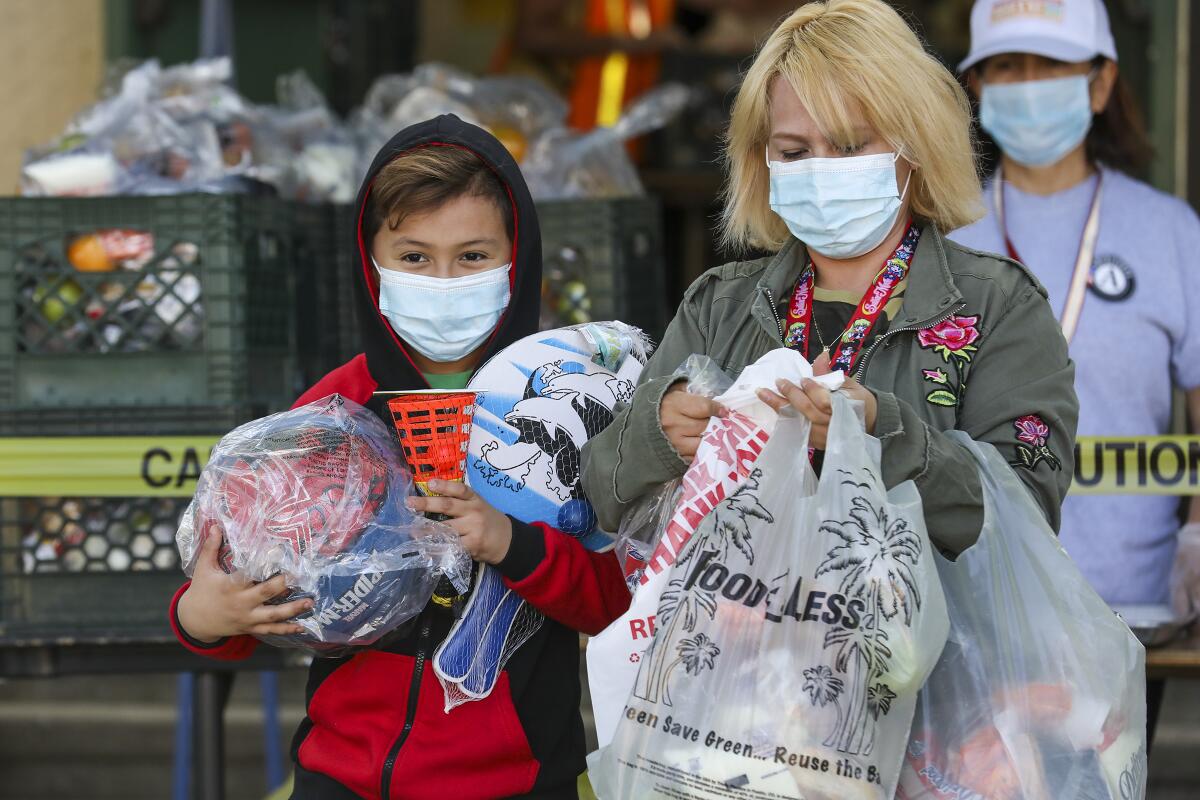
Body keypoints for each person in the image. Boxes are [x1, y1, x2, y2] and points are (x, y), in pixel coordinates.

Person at [168, 115, 632, 799]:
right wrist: (201, 618)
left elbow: (615, 603)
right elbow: (253, 598)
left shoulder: (569, 406)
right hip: (339, 777)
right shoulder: (333, 411)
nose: (443, 281)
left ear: (518, 259)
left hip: (517, 782)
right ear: (371, 263)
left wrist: (511, 543)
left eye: (472, 257)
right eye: (414, 257)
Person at [581, 0, 1079, 557]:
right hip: (737, 640)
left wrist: (876, 434)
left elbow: (1026, 518)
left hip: (930, 645)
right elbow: (602, 500)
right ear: (761, 162)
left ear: (914, 146)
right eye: (793, 151)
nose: (819, 168)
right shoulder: (719, 304)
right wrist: (660, 435)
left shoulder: (998, 306)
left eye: (847, 146)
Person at [949, 0, 1200, 744]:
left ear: (1100, 83)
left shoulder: (1170, 232)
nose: (1029, 85)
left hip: (1131, 608)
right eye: (1007, 67)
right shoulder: (945, 237)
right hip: (976, 609)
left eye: (1051, 67)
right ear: (976, 89)